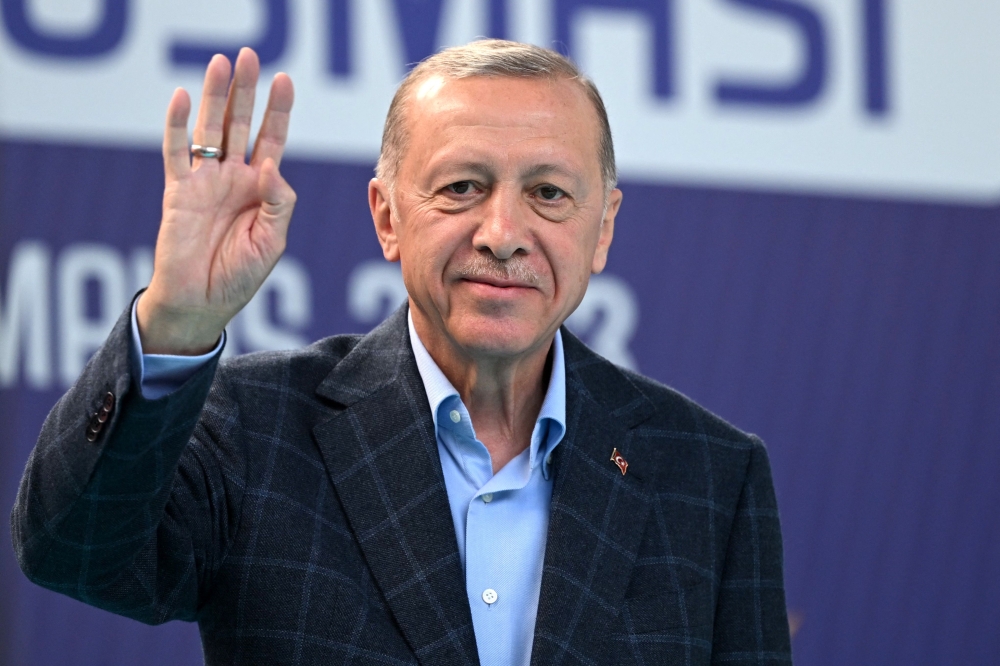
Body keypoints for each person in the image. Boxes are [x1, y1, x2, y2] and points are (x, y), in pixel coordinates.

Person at [12, 40, 792, 665]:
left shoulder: (713, 477)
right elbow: (73, 551)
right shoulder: (253, 428)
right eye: (461, 187)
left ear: (604, 228)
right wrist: (176, 321)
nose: (503, 232)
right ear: (387, 216)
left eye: (549, 193)